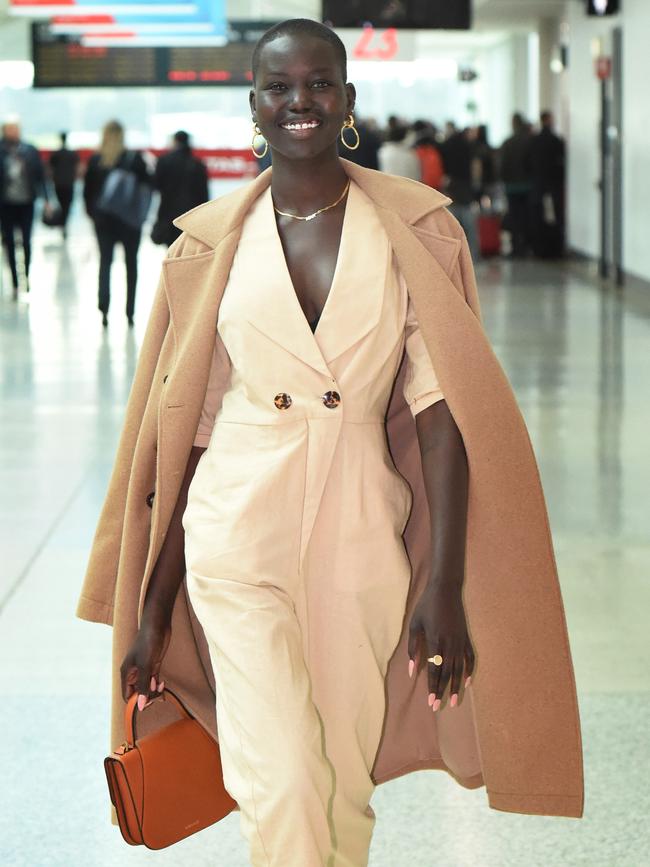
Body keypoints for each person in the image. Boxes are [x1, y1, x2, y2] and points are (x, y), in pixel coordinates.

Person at [76, 19, 583, 867]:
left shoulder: (415, 233)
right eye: (279, 87)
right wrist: (156, 602)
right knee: (276, 778)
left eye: (318, 84)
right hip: (236, 523)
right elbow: (188, 429)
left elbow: (441, 411)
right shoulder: (211, 243)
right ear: (254, 106)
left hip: (360, 529)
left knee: (342, 791)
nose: (298, 101)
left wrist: (446, 584)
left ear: (347, 101)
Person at [83, 120, 151, 327]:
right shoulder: (135, 159)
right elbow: (148, 187)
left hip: (103, 221)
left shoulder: (96, 160)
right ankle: (129, 311)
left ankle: (104, 309)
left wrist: (94, 215)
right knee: (131, 264)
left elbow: (87, 194)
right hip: (130, 222)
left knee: (105, 262)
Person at [0, 118, 48, 294]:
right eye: (10, 129)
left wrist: (47, 199)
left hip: (27, 202)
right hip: (6, 204)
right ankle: (14, 279)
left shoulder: (29, 150)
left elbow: (40, 176)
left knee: (27, 241)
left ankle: (26, 276)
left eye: (16, 129)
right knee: (9, 242)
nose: (14, 132)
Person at [152, 130, 209, 247]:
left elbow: (156, 186)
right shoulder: (197, 164)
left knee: (171, 251)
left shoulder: (164, 161)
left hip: (168, 215)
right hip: (191, 217)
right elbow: (204, 195)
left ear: (175, 142)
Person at [529, 110, 566, 258]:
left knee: (539, 218)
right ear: (549, 120)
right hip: (553, 187)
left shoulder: (534, 141)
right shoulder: (556, 141)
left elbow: (528, 163)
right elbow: (561, 163)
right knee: (554, 218)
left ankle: (540, 249)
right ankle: (555, 250)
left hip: (538, 186)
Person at [439, 126, 479, 260]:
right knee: (469, 222)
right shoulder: (468, 146)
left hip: (452, 185)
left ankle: (454, 255)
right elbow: (475, 166)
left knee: (453, 222)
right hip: (465, 185)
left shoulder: (448, 145)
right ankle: (473, 254)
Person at [499, 112, 533, 257]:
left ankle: (515, 247)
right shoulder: (529, 142)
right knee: (526, 216)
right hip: (526, 185)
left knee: (514, 216)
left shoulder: (507, 143)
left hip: (511, 186)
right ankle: (525, 246)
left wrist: (504, 181)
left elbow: (502, 165)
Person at [49, 131, 79, 238]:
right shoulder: (72, 154)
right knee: (67, 205)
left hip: (59, 183)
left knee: (62, 205)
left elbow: (51, 167)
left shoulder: (56, 153)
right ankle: (63, 223)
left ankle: (62, 223)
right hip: (68, 183)